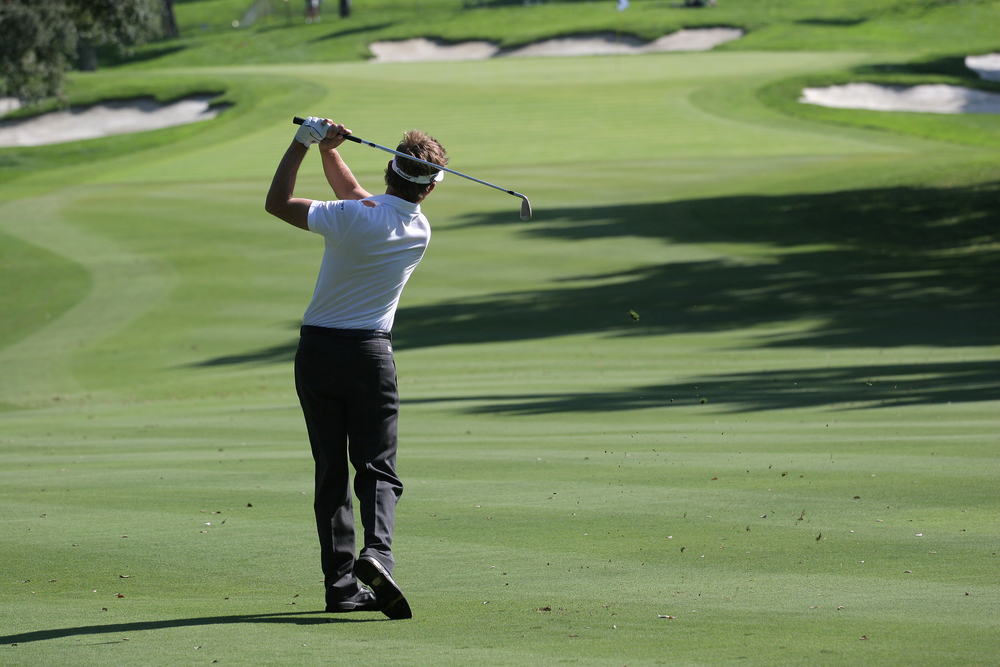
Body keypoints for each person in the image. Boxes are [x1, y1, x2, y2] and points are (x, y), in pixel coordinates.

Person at [264, 116, 448, 619]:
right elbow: (365, 199)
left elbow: (278, 204)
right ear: (430, 189)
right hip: (370, 356)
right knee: (377, 467)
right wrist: (329, 152)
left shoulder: (352, 217)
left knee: (331, 472)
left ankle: (342, 587)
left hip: (317, 354)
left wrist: (305, 144)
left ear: (390, 169)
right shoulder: (418, 228)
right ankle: (378, 555)